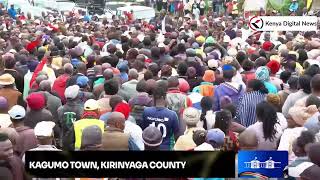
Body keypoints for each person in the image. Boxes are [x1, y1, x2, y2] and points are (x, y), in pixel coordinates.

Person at [142, 83, 179, 150]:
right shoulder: (172, 114)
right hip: (166, 147)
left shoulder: (146, 111)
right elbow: (176, 134)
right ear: (164, 97)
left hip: (149, 146)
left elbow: (144, 129)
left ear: (153, 97)